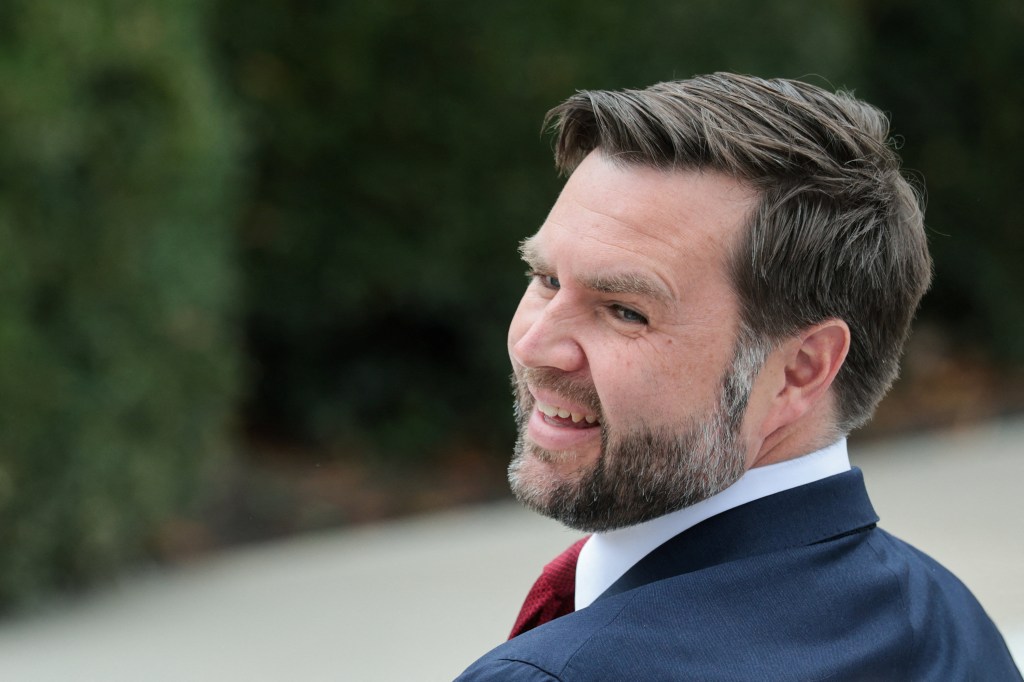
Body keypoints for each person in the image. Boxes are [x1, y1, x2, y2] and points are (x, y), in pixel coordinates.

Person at [456, 73, 1022, 680]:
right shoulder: (955, 627)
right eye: (545, 280)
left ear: (800, 370)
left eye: (625, 310)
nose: (535, 344)